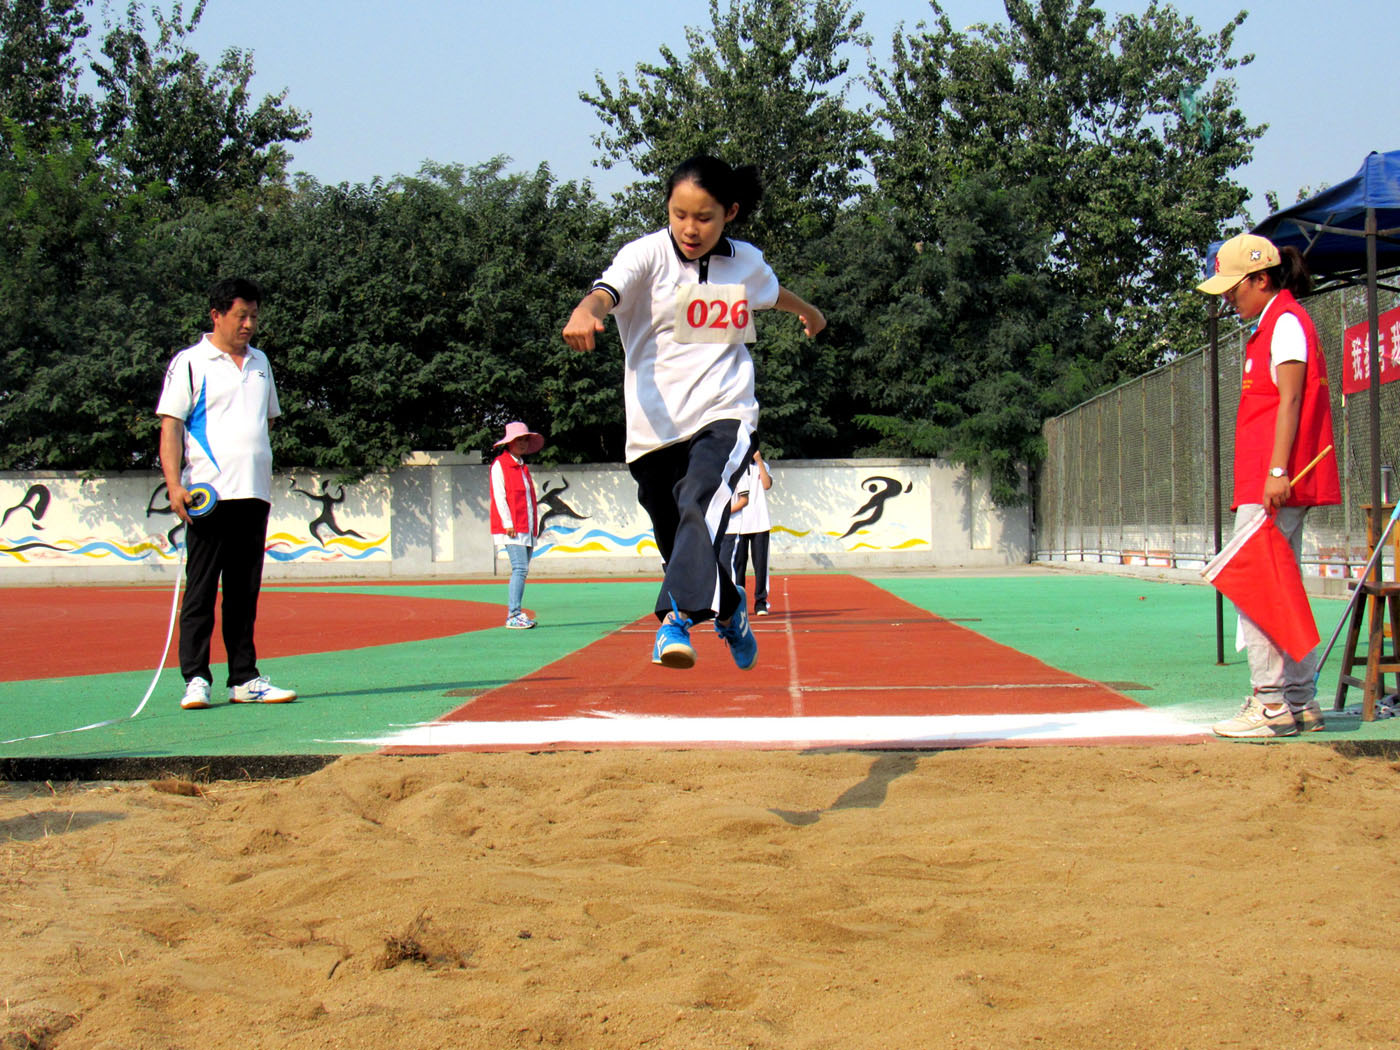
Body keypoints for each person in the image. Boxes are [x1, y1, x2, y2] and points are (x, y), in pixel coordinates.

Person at [562, 154, 825, 669]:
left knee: (699, 501)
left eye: (703, 217)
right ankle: (729, 609)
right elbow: (604, 292)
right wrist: (584, 312)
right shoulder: (646, 256)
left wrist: (809, 312)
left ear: (730, 212)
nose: (689, 228)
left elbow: (772, 294)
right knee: (679, 541)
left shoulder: (745, 261)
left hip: (724, 412)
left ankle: (674, 619)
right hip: (653, 430)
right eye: (679, 214)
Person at [1196, 233, 1341, 738]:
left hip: (1275, 481)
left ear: (1262, 278)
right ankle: (1300, 700)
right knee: (1280, 586)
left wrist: (1277, 472)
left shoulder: (1285, 323)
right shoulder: (1275, 323)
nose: (1229, 298)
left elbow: (1292, 400)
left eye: (1235, 288)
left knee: (1255, 585)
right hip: (1271, 480)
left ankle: (1271, 704)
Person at [157, 277, 297, 710]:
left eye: (254, 316)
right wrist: (175, 484)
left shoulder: (261, 363)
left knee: (243, 593)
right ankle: (196, 678)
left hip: (254, 494)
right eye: (242, 316)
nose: (250, 324)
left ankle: (244, 678)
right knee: (201, 592)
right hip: (209, 496)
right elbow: (171, 426)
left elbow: (266, 420)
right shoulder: (191, 362)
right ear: (216, 315)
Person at [490, 421, 544, 629]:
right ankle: (513, 614)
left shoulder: (522, 467)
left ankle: (516, 613)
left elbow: (528, 500)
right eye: (519, 440)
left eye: (525, 440)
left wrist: (533, 527)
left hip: (526, 527)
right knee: (519, 568)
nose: (522, 443)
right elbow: (500, 496)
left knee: (522, 569)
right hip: (513, 528)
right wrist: (507, 523)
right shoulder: (500, 465)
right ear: (509, 443)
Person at [725, 449, 774, 616]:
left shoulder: (762, 465)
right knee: (738, 566)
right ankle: (739, 603)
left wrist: (759, 461)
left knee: (761, 565)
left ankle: (761, 601)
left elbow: (766, 485)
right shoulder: (733, 467)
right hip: (739, 525)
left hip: (760, 522)